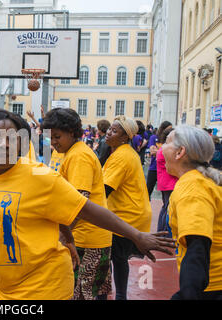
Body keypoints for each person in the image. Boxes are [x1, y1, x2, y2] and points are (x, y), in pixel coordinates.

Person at [0, 109, 175, 300]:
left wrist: (137, 236)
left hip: (42, 285)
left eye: (12, 138)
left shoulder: (39, 176)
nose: (4, 144)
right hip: (1, 283)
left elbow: (84, 209)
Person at [42, 108, 113, 300]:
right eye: (51, 137)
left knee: (81, 294)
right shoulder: (72, 152)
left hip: (86, 240)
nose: (54, 142)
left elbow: (78, 203)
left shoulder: (79, 156)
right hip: (88, 237)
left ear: (72, 132)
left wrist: (61, 238)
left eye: (57, 136)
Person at [162, 125, 222, 299]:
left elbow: (198, 245)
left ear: (180, 152)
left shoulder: (192, 187)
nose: (161, 147)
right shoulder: (201, 181)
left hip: (212, 288)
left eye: (166, 142)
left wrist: (188, 293)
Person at [102, 116, 152, 300]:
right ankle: (120, 295)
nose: (109, 132)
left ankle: (118, 295)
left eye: (115, 131)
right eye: (110, 129)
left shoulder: (122, 156)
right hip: (131, 212)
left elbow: (104, 190)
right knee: (118, 258)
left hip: (127, 214)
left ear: (125, 137)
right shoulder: (123, 152)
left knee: (112, 257)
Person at [155, 127, 177, 233]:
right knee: (167, 208)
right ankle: (163, 231)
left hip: (166, 183)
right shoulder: (165, 150)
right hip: (169, 183)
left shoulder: (163, 149)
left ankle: (162, 230)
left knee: (166, 207)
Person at [147, 121, 173, 200]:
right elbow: (152, 151)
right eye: (169, 129)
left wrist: (158, 151)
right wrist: (161, 152)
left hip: (165, 169)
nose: (170, 131)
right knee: (148, 190)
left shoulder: (169, 140)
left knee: (165, 195)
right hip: (154, 167)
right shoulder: (154, 137)